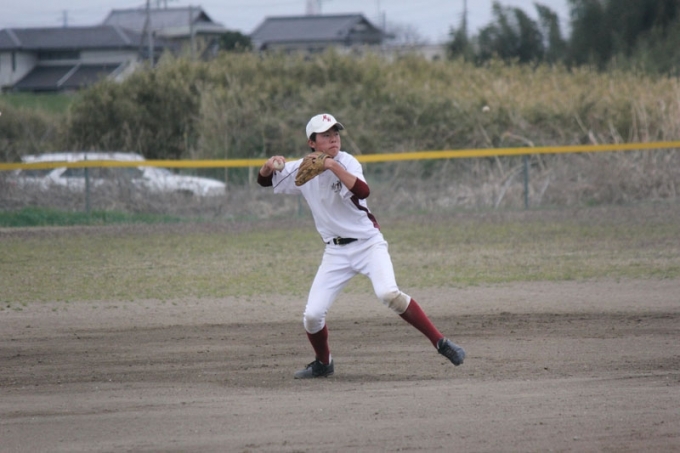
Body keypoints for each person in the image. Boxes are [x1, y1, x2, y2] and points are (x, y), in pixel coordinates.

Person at [257, 113, 465, 379]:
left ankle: (441, 342)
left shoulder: (347, 162)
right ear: (312, 142)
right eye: (326, 135)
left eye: (336, 133)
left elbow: (363, 191)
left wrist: (332, 166)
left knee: (388, 294)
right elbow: (264, 180)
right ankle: (323, 363)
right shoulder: (302, 167)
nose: (334, 138)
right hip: (335, 252)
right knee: (312, 316)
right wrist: (268, 165)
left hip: (368, 245)